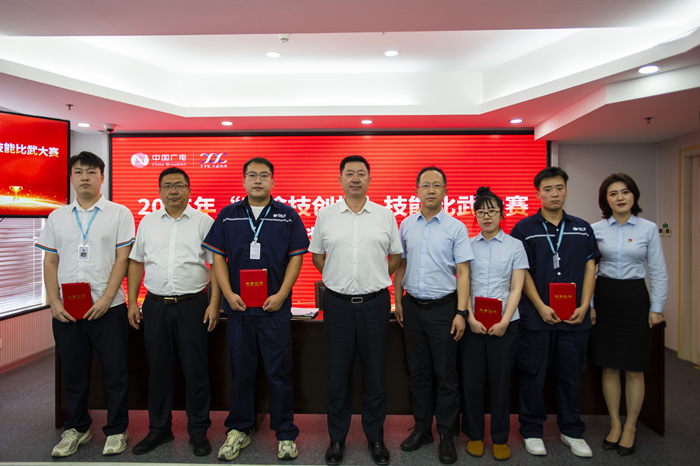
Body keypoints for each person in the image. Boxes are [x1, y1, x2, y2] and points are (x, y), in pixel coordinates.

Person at [202, 157, 309, 462]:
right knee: (240, 371)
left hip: (274, 310)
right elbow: (218, 258)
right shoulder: (228, 215)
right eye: (252, 175)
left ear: (273, 181)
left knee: (280, 372)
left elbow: (296, 257)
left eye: (264, 175)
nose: (258, 180)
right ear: (244, 181)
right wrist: (227, 293)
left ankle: (285, 433)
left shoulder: (287, 215)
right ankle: (238, 429)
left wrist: (282, 294)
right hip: (238, 310)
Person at [35, 151, 134, 458]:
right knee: (74, 373)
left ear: (102, 177)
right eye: (79, 172)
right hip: (67, 310)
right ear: (71, 178)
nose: (85, 177)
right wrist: (53, 302)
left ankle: (117, 430)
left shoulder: (119, 213)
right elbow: (50, 261)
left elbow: (123, 259)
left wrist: (106, 298)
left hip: (109, 309)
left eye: (91, 172)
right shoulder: (57, 217)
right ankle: (77, 427)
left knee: (115, 373)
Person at [309, 155, 402, 466]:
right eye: (349, 173)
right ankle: (337, 439)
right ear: (340, 179)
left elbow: (396, 257)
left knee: (375, 374)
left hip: (375, 304)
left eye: (361, 173)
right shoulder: (326, 215)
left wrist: (374, 277)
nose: (355, 179)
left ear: (370, 179)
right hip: (337, 305)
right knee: (338, 375)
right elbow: (318, 256)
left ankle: (376, 438)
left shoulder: (385, 215)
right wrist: (338, 278)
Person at [127, 167, 221, 457]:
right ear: (159, 192)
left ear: (189, 190)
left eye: (179, 185)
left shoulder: (204, 222)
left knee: (196, 371)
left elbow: (217, 265)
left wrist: (214, 303)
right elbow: (136, 262)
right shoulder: (148, 222)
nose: (173, 191)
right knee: (158, 370)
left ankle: (198, 431)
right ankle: (159, 429)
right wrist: (132, 302)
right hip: (155, 305)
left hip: (193, 305)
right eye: (167, 186)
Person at [510, 167, 600, 458]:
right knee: (532, 376)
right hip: (537, 318)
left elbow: (590, 266)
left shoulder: (582, 228)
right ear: (538, 193)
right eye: (547, 189)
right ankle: (532, 430)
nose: (554, 194)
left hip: (575, 318)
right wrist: (540, 305)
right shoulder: (524, 229)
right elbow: (521, 271)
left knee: (570, 376)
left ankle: (571, 430)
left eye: (559, 188)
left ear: (566, 191)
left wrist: (586, 305)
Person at [393, 166, 472, 465]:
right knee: (418, 374)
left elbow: (463, 272)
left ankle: (447, 434)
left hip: (444, 309)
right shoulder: (405, 225)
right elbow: (400, 264)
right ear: (416, 191)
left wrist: (461, 312)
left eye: (436, 185)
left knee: (446, 376)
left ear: (445, 192)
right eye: (425, 185)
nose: (430, 190)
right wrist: (397, 300)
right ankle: (423, 429)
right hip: (412, 307)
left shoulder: (456, 227)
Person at [590, 173, 667, 456]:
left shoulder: (648, 228)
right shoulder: (595, 229)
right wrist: (590, 304)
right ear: (605, 200)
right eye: (613, 193)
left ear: (634, 195)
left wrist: (656, 308)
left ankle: (631, 426)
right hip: (605, 297)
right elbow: (589, 271)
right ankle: (615, 423)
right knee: (609, 366)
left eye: (625, 192)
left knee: (635, 368)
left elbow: (657, 269)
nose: (620, 197)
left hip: (635, 298)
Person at [461, 187, 528, 461]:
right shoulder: (467, 245)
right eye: (481, 211)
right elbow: (463, 284)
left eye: (492, 211)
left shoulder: (515, 246)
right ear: (475, 215)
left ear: (502, 214)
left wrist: (504, 321)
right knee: (472, 382)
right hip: (474, 324)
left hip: (505, 324)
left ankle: (500, 438)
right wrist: (470, 318)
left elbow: (517, 287)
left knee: (501, 383)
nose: (486, 216)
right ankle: (475, 435)